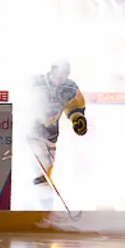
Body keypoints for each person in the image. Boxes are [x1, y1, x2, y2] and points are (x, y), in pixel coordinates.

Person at [27, 60, 87, 188]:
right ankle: (36, 188)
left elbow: (75, 107)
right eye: (59, 73)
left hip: (51, 133)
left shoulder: (70, 88)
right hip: (32, 130)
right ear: (52, 71)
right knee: (38, 162)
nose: (60, 78)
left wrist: (78, 119)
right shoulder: (36, 83)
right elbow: (19, 99)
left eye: (64, 75)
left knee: (47, 165)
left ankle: (43, 192)